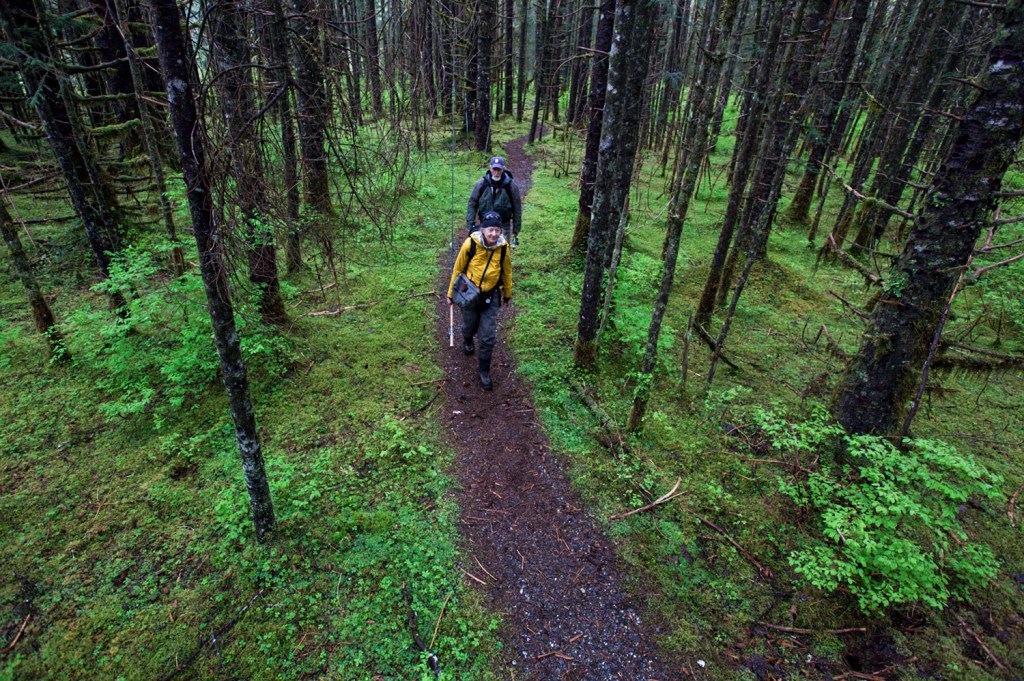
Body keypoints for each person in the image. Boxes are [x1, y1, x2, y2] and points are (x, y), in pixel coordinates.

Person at [448, 214, 512, 391]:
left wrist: (507, 293)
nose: (493, 234)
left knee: (488, 337)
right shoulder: (471, 244)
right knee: (469, 325)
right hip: (469, 293)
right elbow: (458, 268)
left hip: (491, 297)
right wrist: (450, 294)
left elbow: (507, 272)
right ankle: (467, 339)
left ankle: (484, 371)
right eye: (490, 229)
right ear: (483, 230)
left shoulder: (503, 248)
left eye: (497, 230)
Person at [466, 155, 522, 247]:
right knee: (482, 250)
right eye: (494, 169)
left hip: (503, 225)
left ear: (503, 169)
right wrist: (470, 224)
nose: (496, 172)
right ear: (490, 168)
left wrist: (516, 231)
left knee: (503, 250)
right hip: (485, 224)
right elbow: (472, 203)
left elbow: (517, 208)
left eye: (499, 170)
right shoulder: (481, 184)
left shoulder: (511, 186)